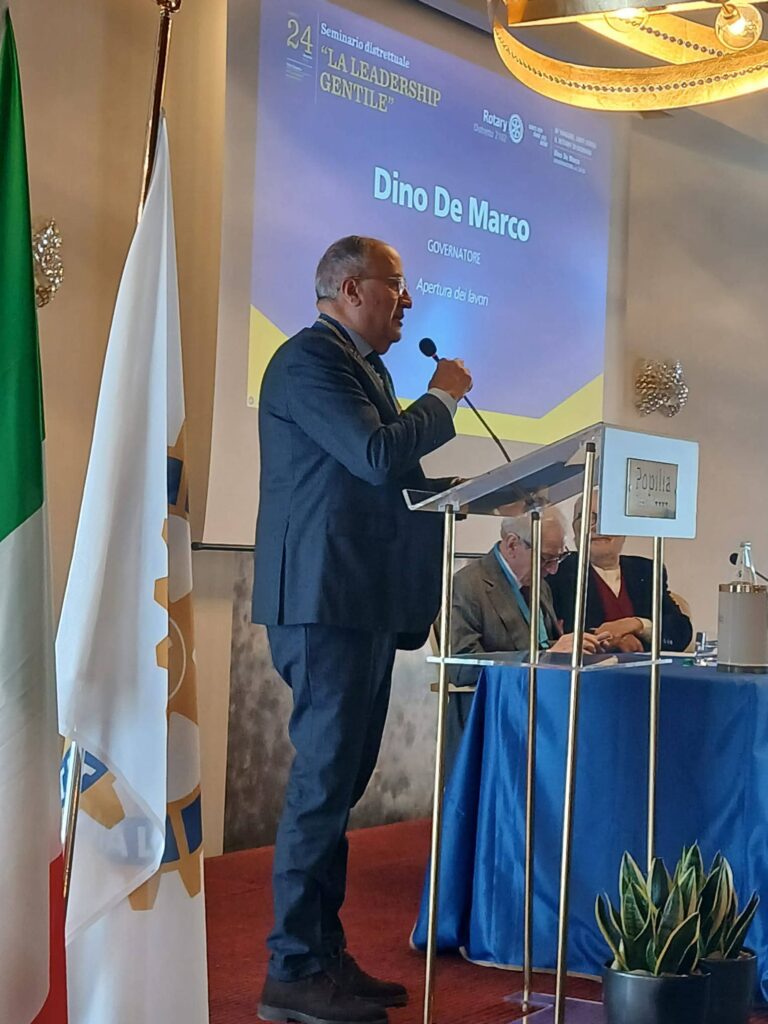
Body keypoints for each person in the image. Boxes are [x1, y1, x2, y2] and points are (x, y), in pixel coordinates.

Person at [252, 235, 473, 1024]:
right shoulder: (309, 360)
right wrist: (441, 400)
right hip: (323, 600)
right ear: (350, 289)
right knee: (323, 786)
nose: (407, 301)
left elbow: (391, 481)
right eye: (396, 285)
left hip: (362, 599)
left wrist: (477, 492)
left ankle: (323, 954)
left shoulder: (366, 368)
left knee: (341, 785)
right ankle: (292, 969)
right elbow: (377, 456)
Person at [444, 509, 608, 755]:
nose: (553, 570)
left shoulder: (538, 585)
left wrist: (576, 646)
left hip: (541, 710)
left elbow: (543, 645)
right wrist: (545, 656)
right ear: (512, 544)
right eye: (546, 559)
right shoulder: (467, 585)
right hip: (492, 720)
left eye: (559, 558)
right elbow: (460, 666)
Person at [548, 507, 693, 652]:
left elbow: (679, 630)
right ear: (575, 529)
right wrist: (615, 640)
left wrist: (638, 624)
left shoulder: (646, 570)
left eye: (607, 517)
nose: (597, 526)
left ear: (624, 530)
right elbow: (556, 634)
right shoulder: (555, 570)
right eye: (588, 517)